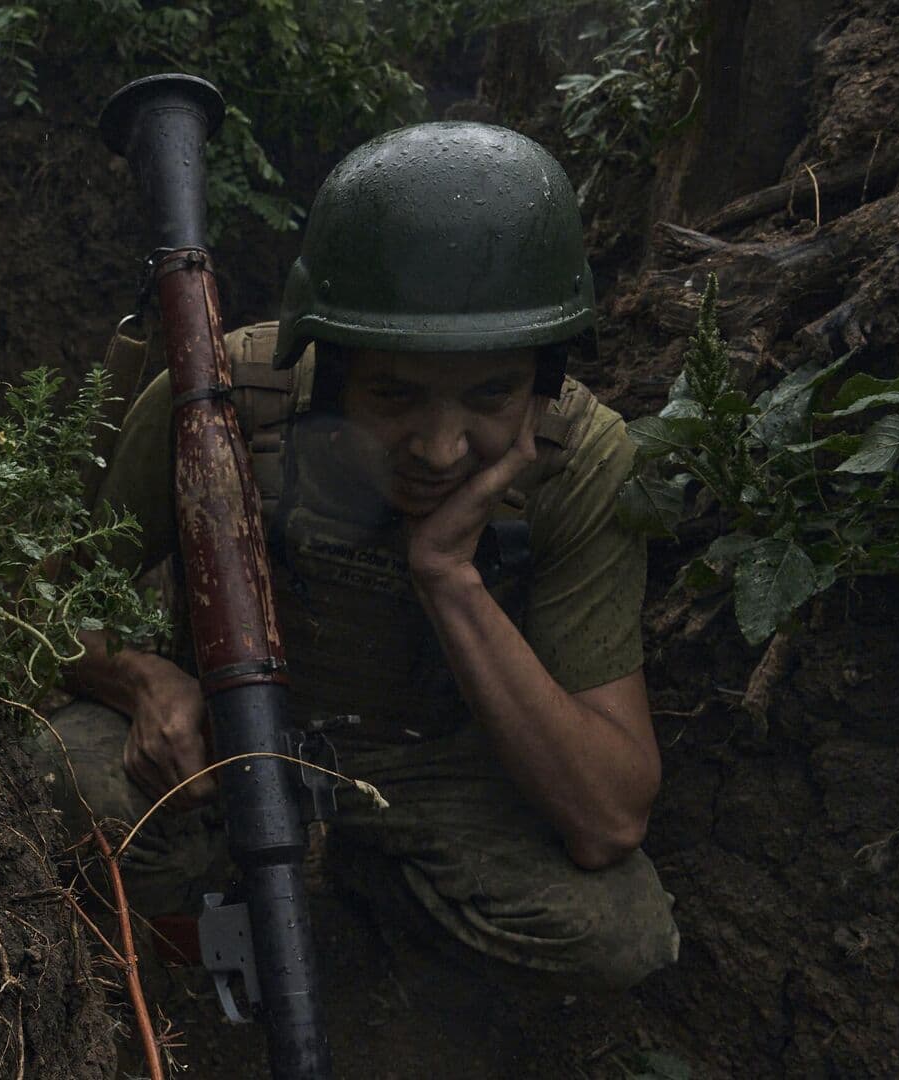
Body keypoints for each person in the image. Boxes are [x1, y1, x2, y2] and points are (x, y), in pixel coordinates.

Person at [42, 121, 678, 992]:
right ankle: (165, 963)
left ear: (545, 373)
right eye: (395, 395)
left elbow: (609, 819)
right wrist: (144, 680)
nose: (443, 449)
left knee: (618, 932)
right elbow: (42, 607)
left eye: (492, 393)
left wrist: (450, 577)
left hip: (429, 770)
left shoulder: (586, 464)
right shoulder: (218, 402)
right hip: (224, 741)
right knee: (56, 781)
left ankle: (376, 911)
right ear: (330, 370)